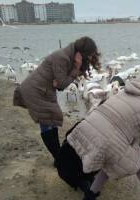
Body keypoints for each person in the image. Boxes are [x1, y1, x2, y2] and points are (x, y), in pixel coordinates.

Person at [13, 36, 101, 166]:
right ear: (81, 53)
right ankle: (59, 159)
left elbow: (60, 84)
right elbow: (62, 84)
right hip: (36, 90)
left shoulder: (68, 56)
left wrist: (60, 81)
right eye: (88, 56)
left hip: (44, 90)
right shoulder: (63, 58)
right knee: (47, 122)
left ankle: (58, 157)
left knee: (52, 119)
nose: (89, 59)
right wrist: (75, 69)